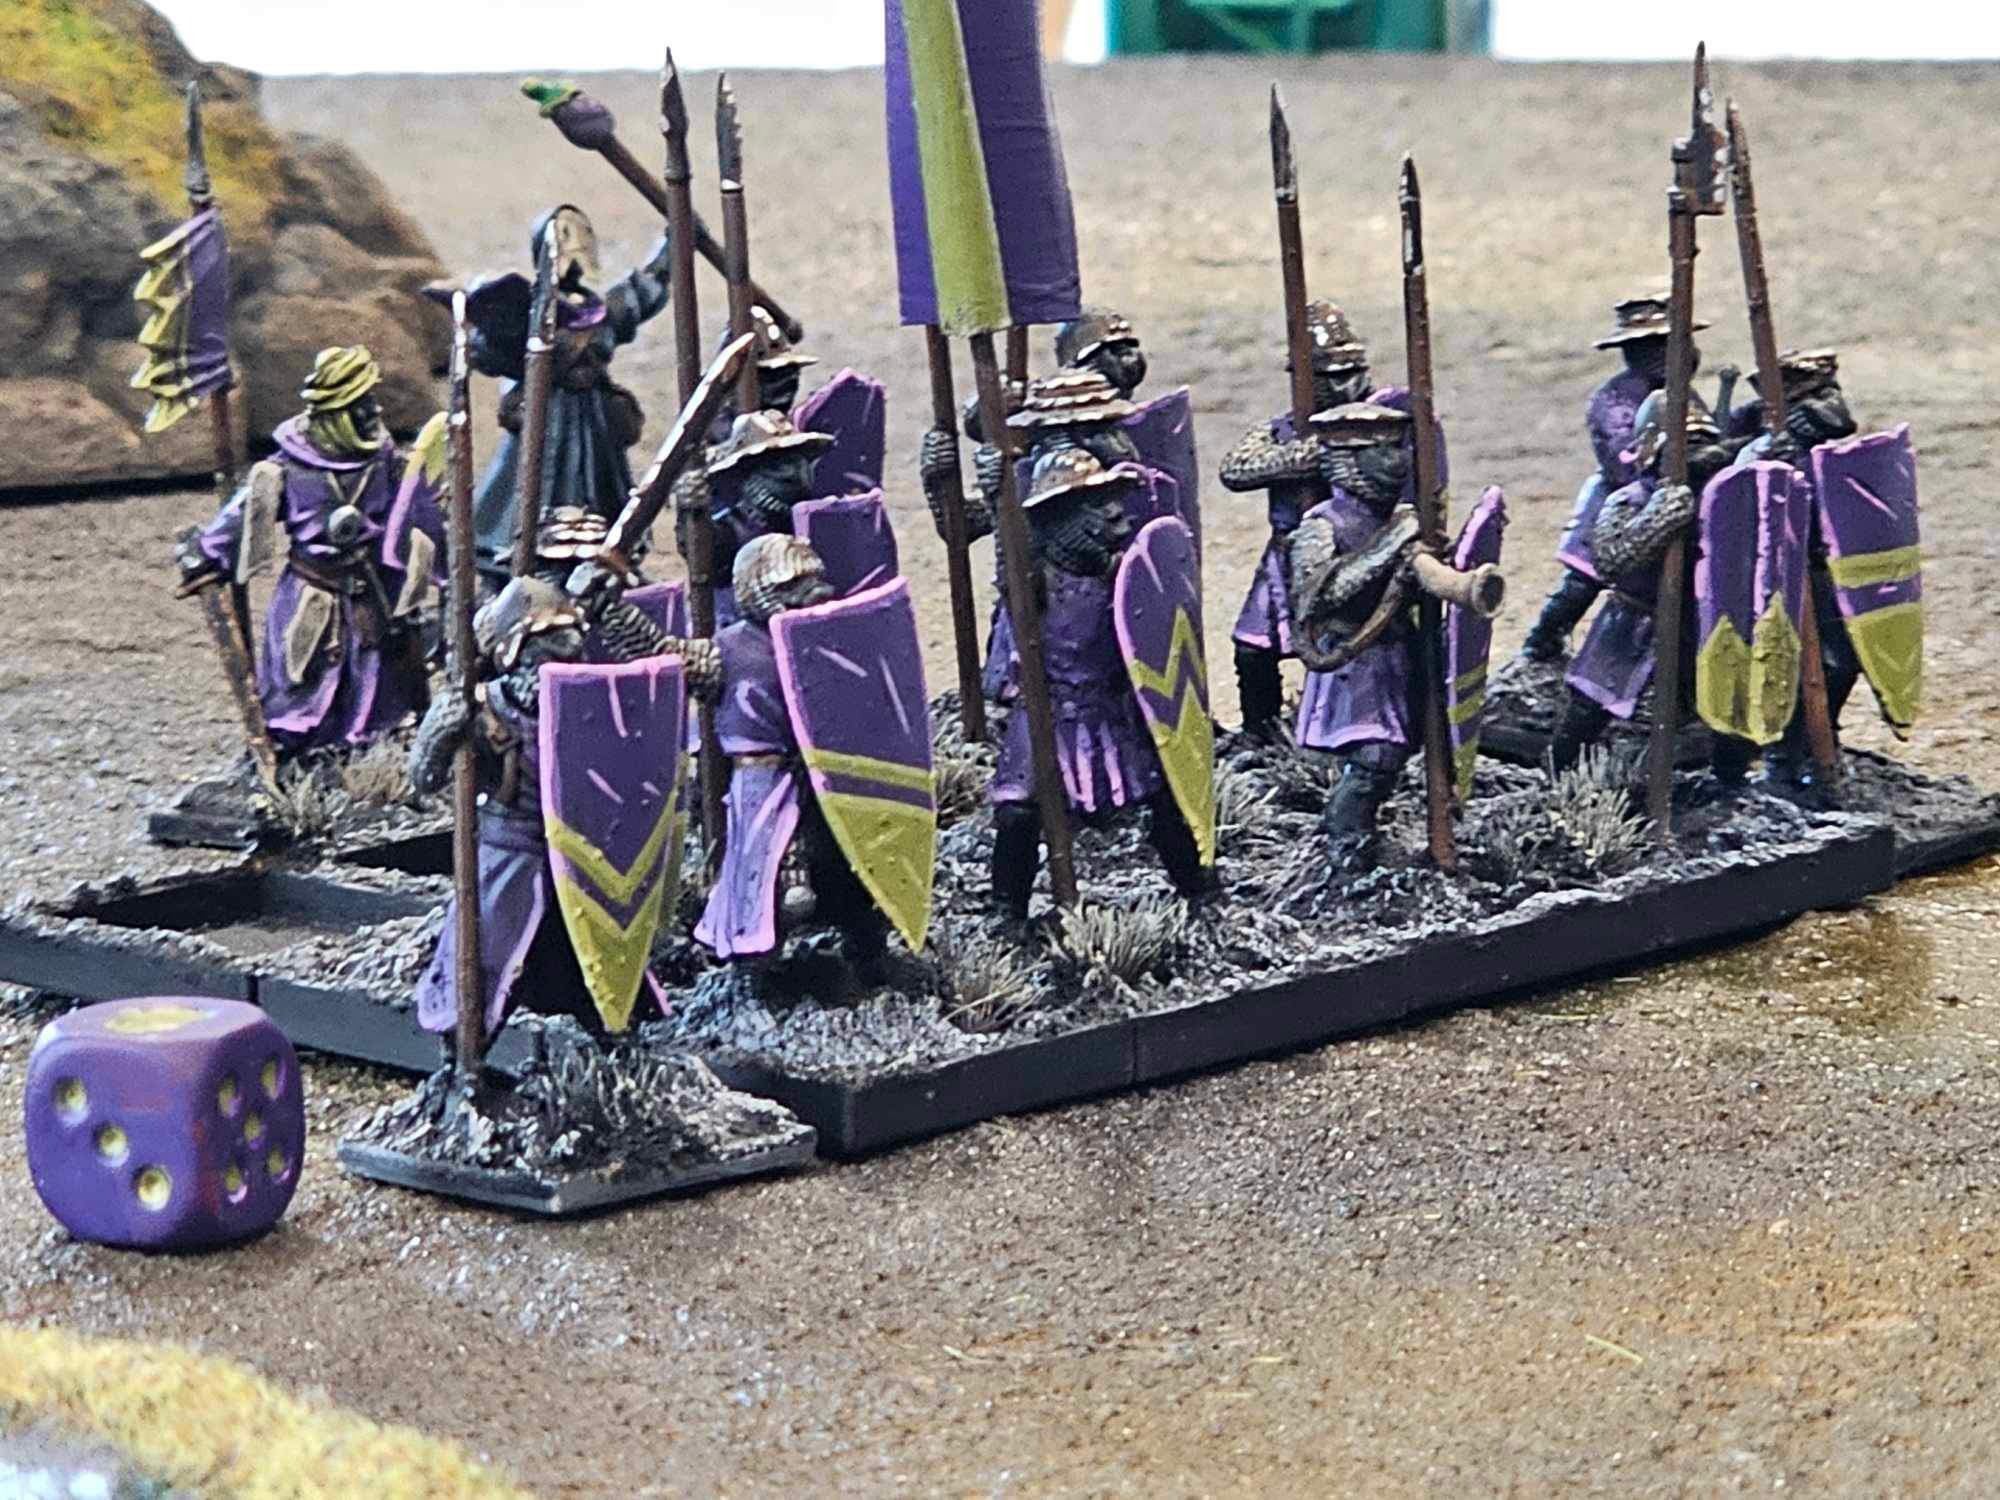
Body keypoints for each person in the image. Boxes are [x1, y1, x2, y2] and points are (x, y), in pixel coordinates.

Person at [408, 574, 685, 1042]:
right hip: (511, 857)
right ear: (515, 649)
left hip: (584, 860)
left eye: (569, 636)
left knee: (602, 972)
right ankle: (463, 1063)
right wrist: (440, 732)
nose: (566, 648)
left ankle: (620, 1051)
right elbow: (423, 780)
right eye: (548, 639)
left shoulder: (594, 701)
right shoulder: (486, 709)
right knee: (482, 974)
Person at [177, 345, 439, 759]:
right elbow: (245, 514)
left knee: (374, 683)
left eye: (371, 399)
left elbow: (417, 520)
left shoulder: (386, 462)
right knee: (303, 681)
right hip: (312, 595)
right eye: (362, 403)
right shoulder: (286, 468)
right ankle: (297, 749)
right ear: (338, 411)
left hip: (373, 597)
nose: (373, 410)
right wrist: (209, 554)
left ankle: (369, 753)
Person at [987, 449, 1213, 920]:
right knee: (1017, 812)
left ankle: (1199, 887)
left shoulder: (1126, 578)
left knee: (1166, 794)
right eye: (1095, 503)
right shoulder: (1034, 581)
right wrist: (994, 496)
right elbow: (1009, 563)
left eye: (1112, 498)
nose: (1114, 512)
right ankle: (1007, 911)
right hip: (1049, 709)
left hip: (1114, 707)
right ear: (1060, 518)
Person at [691, 534, 896, 980]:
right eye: (793, 584)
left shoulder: (828, 638)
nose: (813, 591)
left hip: (826, 775)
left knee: (845, 866)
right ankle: (757, 971)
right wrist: (612, 609)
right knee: (764, 882)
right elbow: (661, 656)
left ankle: (868, 952)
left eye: (814, 580)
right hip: (762, 785)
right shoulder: (725, 651)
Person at [1548, 395, 1756, 787]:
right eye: (1685, 446)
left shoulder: (1725, 499)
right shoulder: (1629, 500)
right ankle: (1558, 781)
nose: (1696, 455)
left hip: (1704, 624)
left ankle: (1731, 787)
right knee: (1587, 711)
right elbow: (1612, 560)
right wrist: (1660, 517)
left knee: (1726, 709)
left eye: (1702, 444)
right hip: (1631, 623)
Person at [462, 205, 672, 584]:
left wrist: (670, 249)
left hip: (592, 422)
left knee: (602, 497)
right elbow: (489, 352)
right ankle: (524, 561)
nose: (572, 265)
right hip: (546, 420)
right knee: (527, 493)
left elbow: (639, 295)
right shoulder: (530, 315)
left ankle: (603, 557)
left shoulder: (598, 311)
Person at [1519, 293, 1712, 663]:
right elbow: (1625, 461)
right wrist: (1675, 462)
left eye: (1669, 343)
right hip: (1621, 501)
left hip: (1675, 499)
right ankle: (1542, 642)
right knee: (1581, 581)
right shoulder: (1614, 401)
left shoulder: (1681, 394)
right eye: (1651, 347)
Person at [1217, 301, 1379, 737]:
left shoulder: (1378, 425)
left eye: (1352, 373)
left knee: (1346, 649)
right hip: (1286, 554)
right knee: (1252, 647)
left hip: (1349, 554)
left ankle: (1343, 732)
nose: (1346, 386)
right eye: (1330, 377)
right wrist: (1306, 455)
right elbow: (1235, 469)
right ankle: (1261, 734)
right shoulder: (1281, 430)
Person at [1285, 403, 1427, 872]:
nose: (1396, 460)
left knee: (1397, 753)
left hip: (1398, 654)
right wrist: (1390, 545)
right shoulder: (1322, 525)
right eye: (1380, 450)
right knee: (1375, 756)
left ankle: (1360, 841)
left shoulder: (1403, 515)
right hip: (1354, 661)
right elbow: (1317, 597)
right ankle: (1344, 846)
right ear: (1349, 460)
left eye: (1397, 447)